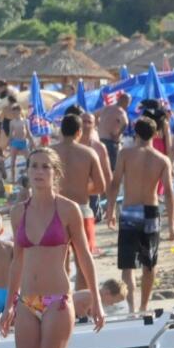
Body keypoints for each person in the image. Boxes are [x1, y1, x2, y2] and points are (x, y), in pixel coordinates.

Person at [0, 147, 104, 348]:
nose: (39, 171)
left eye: (45, 166)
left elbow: (85, 257)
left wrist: (96, 300)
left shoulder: (69, 209)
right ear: (27, 171)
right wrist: (8, 306)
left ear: (55, 173)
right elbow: (17, 262)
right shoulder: (18, 212)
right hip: (26, 302)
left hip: (58, 301)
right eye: (34, 166)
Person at [106, 117, 174, 313]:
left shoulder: (125, 154)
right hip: (151, 211)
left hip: (130, 210)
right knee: (149, 263)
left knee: (128, 265)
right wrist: (172, 223)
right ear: (155, 134)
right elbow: (169, 193)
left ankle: (131, 307)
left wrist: (110, 210)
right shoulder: (162, 159)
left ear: (135, 133)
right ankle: (144, 305)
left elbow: (115, 182)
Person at [55, 114, 107, 288]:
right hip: (81, 210)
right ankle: (81, 311)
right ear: (79, 132)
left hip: (56, 210)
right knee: (83, 262)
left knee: (59, 263)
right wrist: (81, 188)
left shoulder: (50, 153)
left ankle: (62, 304)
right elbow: (100, 187)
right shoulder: (88, 153)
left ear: (61, 131)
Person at [97, 92, 130, 171]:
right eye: (128, 103)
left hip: (100, 140)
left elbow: (94, 115)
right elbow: (126, 123)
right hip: (111, 143)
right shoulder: (121, 111)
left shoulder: (106, 108)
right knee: (111, 169)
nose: (128, 106)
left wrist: (98, 125)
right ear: (125, 102)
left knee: (100, 168)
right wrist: (118, 134)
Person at [6, 104, 30, 182]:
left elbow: (28, 133)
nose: (14, 114)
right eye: (13, 113)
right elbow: (10, 134)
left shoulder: (25, 121)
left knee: (29, 160)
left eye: (15, 112)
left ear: (19, 111)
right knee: (12, 162)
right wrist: (8, 144)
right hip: (15, 142)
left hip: (23, 142)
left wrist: (33, 142)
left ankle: (28, 177)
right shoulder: (12, 122)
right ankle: (13, 180)